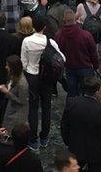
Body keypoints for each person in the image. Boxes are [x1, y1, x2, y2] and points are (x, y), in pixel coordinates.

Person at [20, 15, 64, 149]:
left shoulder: (27, 41)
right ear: (44, 27)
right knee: (46, 108)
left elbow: (23, 62)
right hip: (47, 78)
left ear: (33, 26)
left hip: (32, 77)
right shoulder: (50, 42)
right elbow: (62, 58)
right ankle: (44, 137)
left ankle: (33, 140)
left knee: (33, 109)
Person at [60, 76, 101, 172]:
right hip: (97, 153)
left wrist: (68, 143)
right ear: (97, 91)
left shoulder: (71, 103)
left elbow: (64, 126)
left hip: (75, 149)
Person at [54, 9, 99, 97]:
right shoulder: (86, 35)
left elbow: (58, 53)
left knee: (72, 92)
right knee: (88, 92)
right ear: (75, 19)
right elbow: (93, 53)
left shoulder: (59, 35)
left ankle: (72, 108)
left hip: (70, 68)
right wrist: (96, 66)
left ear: (64, 20)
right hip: (85, 67)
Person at [0, 55, 29, 135]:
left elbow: (22, 101)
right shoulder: (13, 75)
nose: (6, 67)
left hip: (16, 114)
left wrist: (7, 92)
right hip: (10, 108)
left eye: (7, 65)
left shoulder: (22, 84)